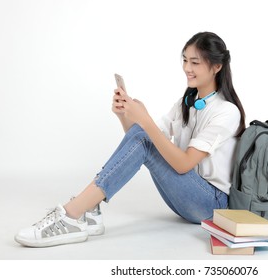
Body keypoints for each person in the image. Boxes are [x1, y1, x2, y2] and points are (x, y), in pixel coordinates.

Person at [14, 31, 246, 247]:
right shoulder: (187, 102)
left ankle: (72, 214)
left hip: (211, 204)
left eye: (195, 62)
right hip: (186, 198)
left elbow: (183, 163)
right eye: (185, 60)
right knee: (143, 136)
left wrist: (144, 121)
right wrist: (124, 116)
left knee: (145, 134)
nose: (187, 68)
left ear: (217, 66)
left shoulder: (227, 111)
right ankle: (87, 210)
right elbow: (138, 143)